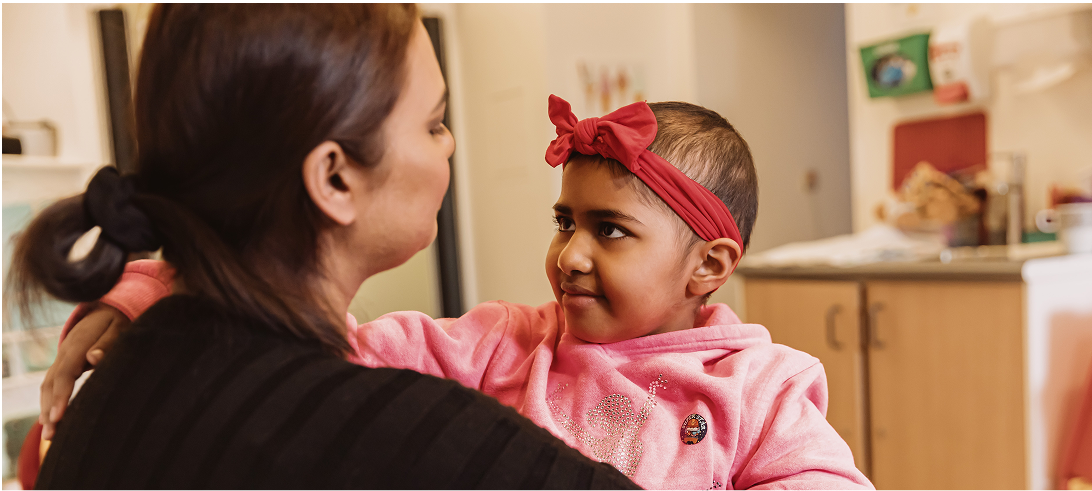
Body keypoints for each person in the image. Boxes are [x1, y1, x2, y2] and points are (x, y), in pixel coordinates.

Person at [46, 96, 875, 490]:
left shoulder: (761, 386)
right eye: (565, 220)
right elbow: (314, 341)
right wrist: (160, 281)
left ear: (709, 266)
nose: (572, 254)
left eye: (610, 230)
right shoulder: (506, 342)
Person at [9, 5, 644, 491]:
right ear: (335, 177)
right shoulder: (415, 442)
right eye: (432, 124)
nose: (447, 145)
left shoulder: (106, 394)